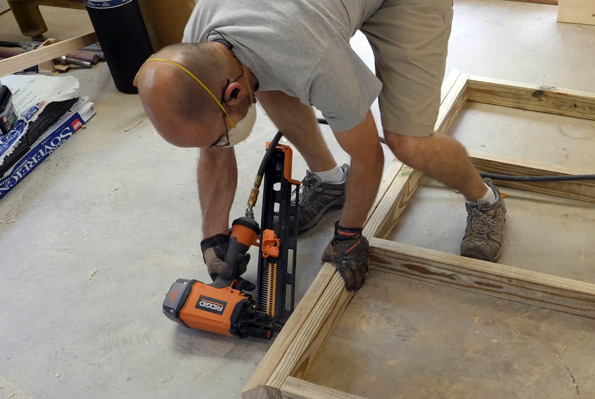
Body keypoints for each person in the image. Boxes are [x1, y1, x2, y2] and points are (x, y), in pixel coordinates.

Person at [135, 0, 506, 292]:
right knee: (266, 80)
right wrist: (212, 236)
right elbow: (214, 155)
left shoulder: (312, 56)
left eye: (218, 136)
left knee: (408, 142)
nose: (218, 145)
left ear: (230, 93)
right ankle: (330, 181)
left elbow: (367, 155)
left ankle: (485, 201)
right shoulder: (199, 45)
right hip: (301, 21)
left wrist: (349, 233)